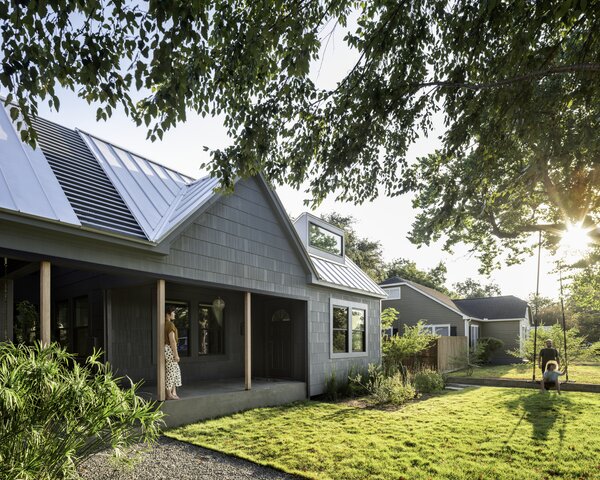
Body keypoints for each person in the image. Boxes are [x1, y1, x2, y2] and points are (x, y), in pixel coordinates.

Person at [164, 305, 182, 400]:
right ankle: (169, 394)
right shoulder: (170, 325)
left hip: (166, 349)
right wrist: (176, 355)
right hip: (170, 349)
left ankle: (172, 392)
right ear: (168, 314)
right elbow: (172, 341)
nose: (174, 314)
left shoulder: (164, 324)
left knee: (174, 370)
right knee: (171, 371)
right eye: (173, 312)